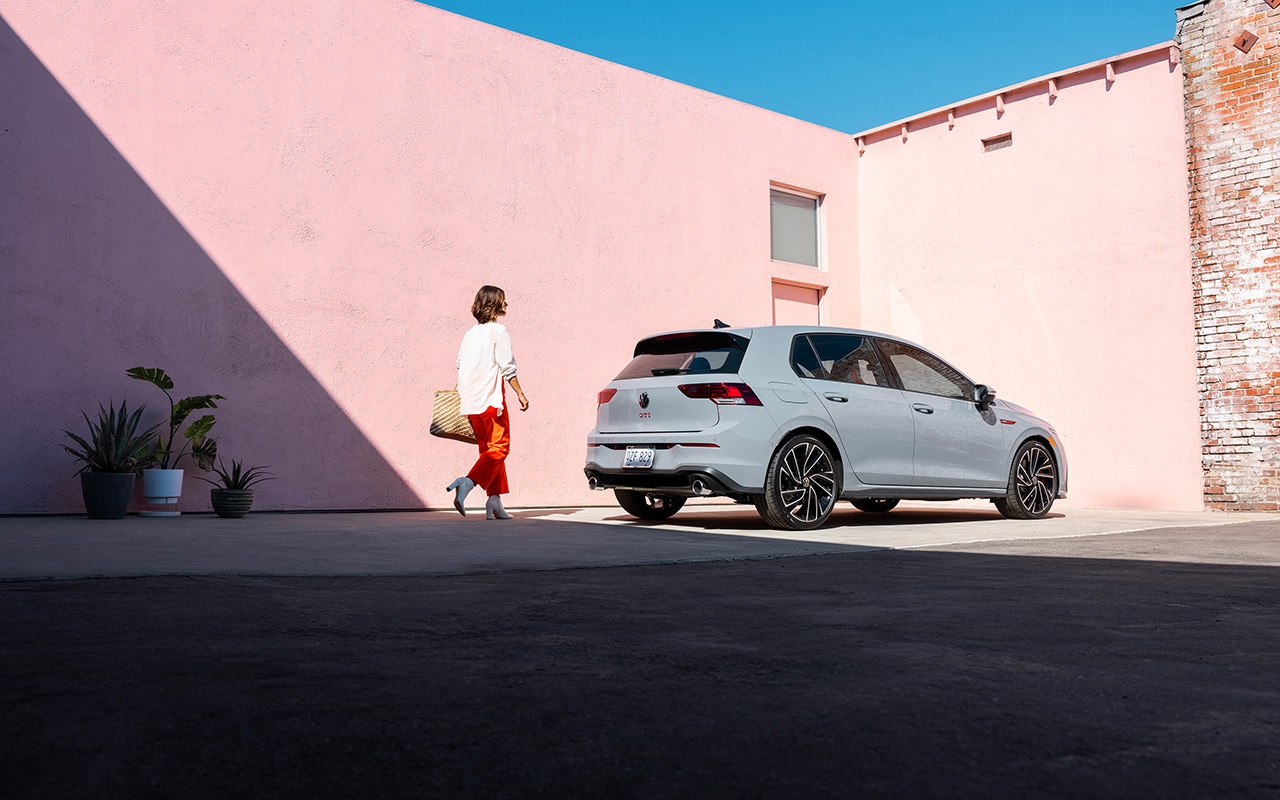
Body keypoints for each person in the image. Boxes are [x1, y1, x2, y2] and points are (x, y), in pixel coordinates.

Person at [446, 285, 529, 519]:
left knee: (488, 450)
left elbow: (460, 364)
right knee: (500, 448)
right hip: (491, 400)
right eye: (503, 300)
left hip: (470, 402)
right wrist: (520, 393)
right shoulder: (499, 331)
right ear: (494, 304)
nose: (506, 304)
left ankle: (494, 500)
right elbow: (507, 366)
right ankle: (468, 482)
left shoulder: (470, 334)